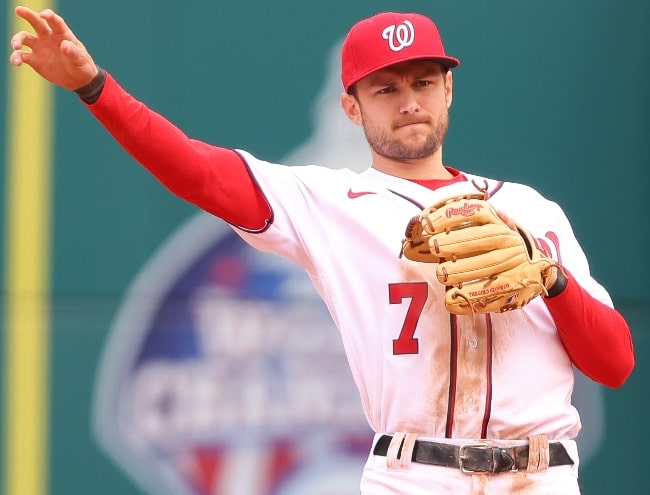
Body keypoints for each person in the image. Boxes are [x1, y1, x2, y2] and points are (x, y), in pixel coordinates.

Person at [10, 7, 635, 494]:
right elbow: (198, 171)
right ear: (351, 106)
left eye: (423, 81)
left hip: (543, 474)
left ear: (449, 90)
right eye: (385, 89)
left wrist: (552, 280)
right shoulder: (329, 201)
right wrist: (95, 87)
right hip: (416, 474)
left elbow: (613, 364)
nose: (409, 100)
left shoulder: (530, 211)